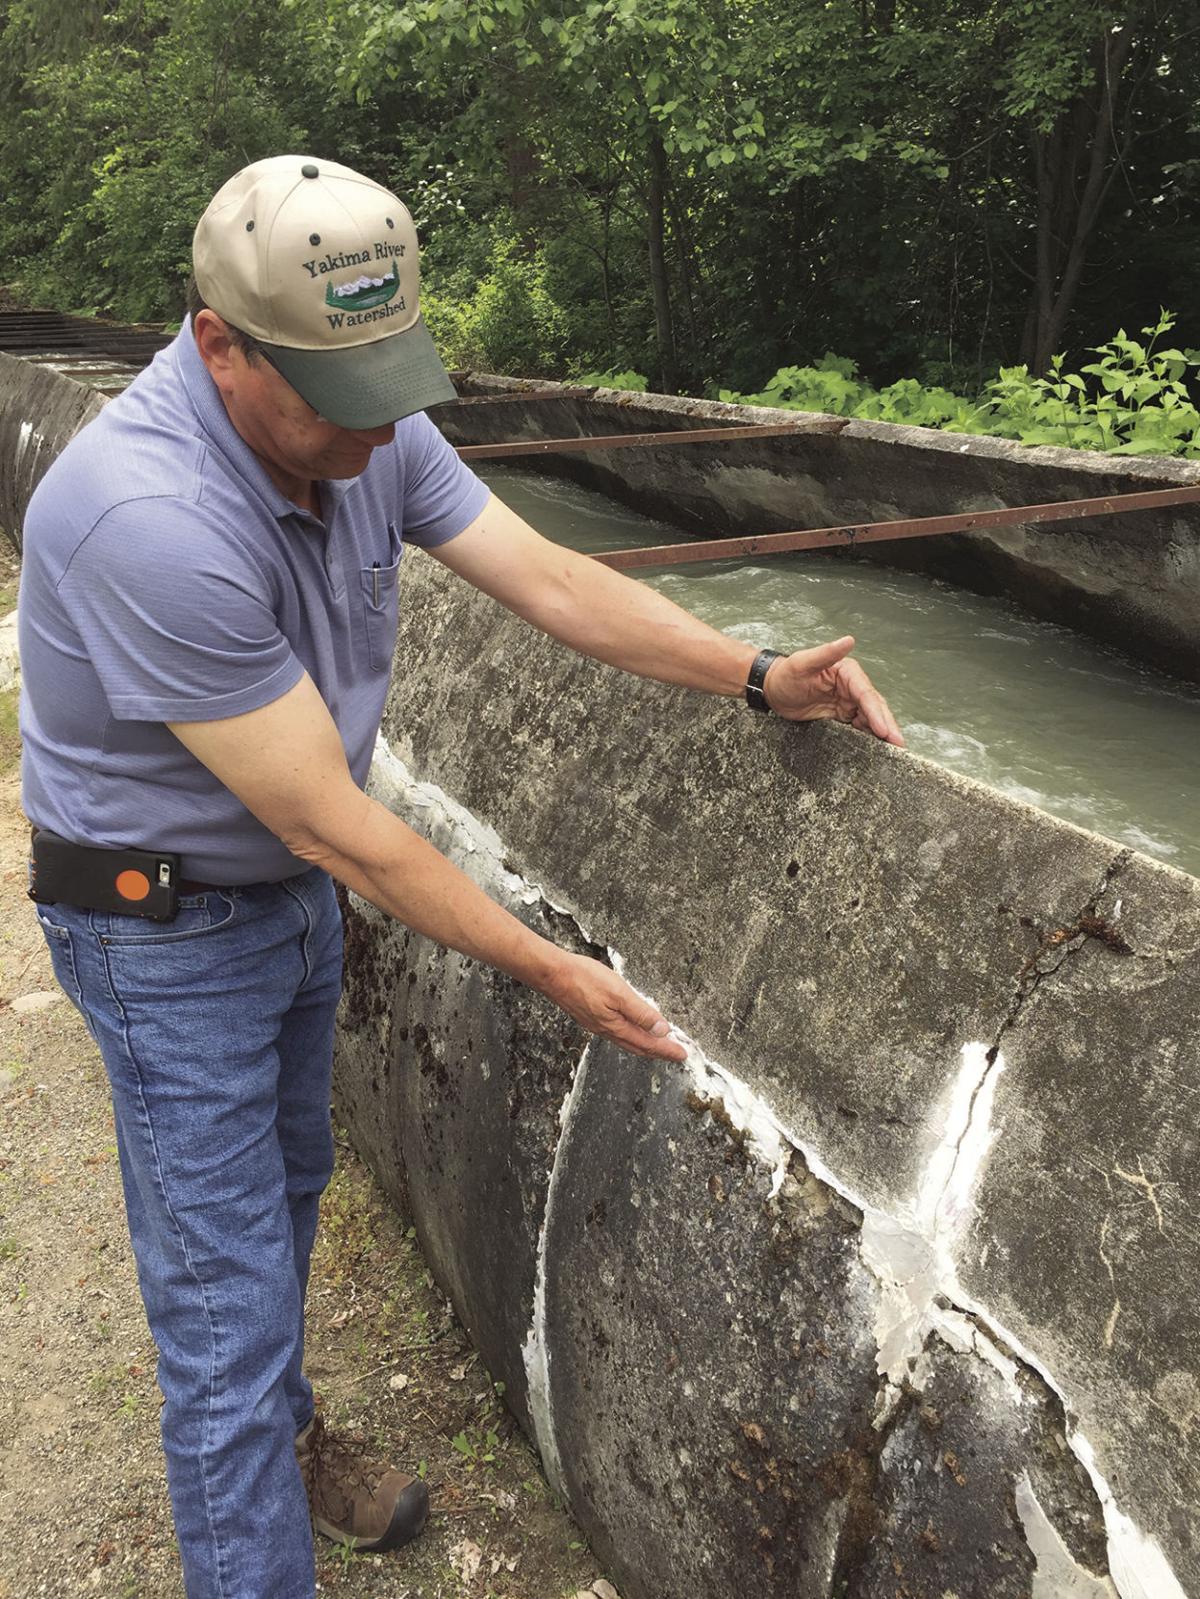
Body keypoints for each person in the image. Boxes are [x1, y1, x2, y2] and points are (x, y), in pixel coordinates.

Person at [18, 155, 904, 1599]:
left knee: (285, 1193)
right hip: (161, 929)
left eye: (389, 382)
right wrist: (552, 969)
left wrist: (754, 673)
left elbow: (552, 580)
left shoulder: (364, 428)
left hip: (281, 896)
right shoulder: (142, 517)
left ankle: (287, 1439)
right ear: (220, 344)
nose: (376, 428)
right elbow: (336, 826)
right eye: (338, 394)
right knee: (221, 1307)